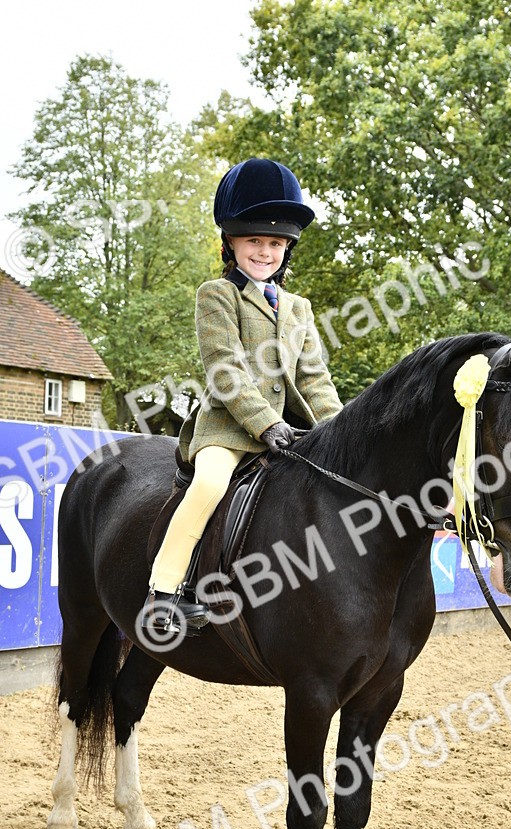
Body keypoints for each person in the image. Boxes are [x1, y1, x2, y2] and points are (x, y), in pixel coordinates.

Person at [143, 157, 343, 634]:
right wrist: (265, 422)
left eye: (275, 244)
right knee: (210, 485)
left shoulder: (299, 308)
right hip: (230, 429)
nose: (265, 252)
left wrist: (341, 430)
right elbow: (225, 369)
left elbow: (314, 378)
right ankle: (163, 593)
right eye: (254, 240)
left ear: (287, 249)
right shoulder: (217, 294)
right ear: (231, 242)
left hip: (293, 431)